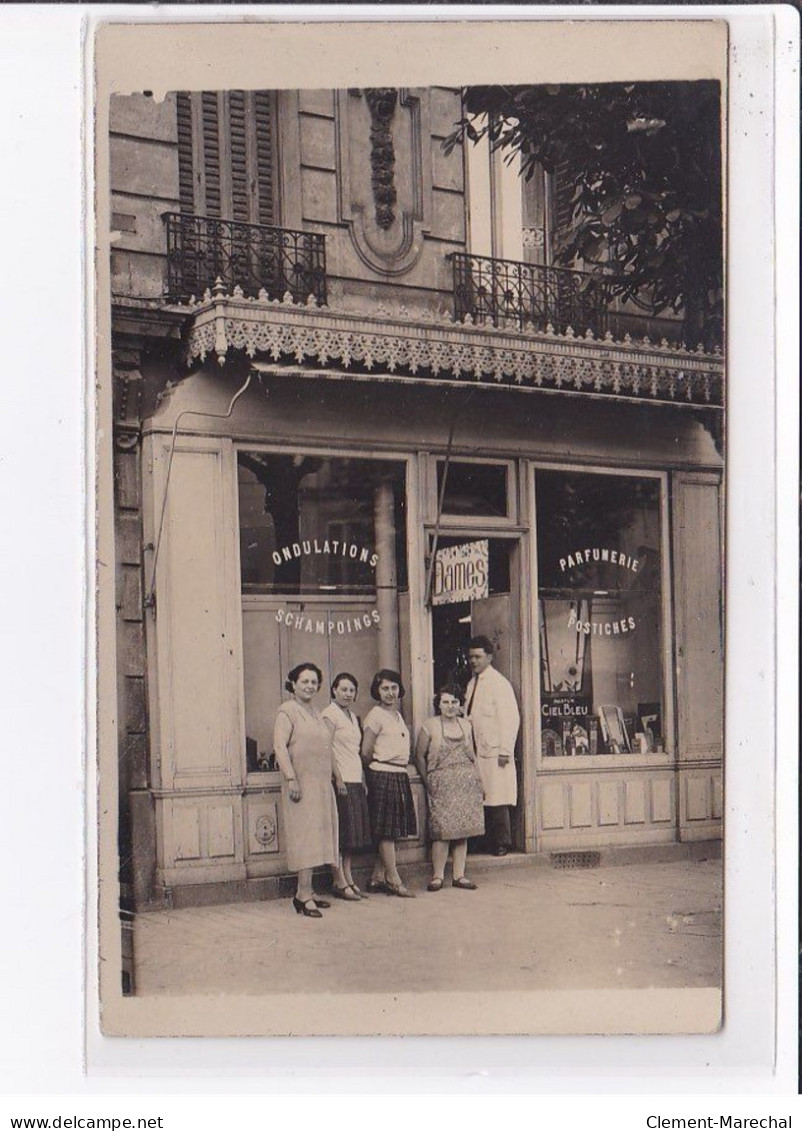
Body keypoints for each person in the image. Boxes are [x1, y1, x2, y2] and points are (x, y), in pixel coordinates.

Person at [272, 662, 339, 918]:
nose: (309, 686)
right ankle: (302, 895)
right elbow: (279, 747)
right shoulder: (287, 711)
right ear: (293, 684)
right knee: (306, 838)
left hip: (320, 785)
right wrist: (291, 779)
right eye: (304, 681)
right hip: (300, 785)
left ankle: (307, 891)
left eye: (314, 682)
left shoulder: (315, 711)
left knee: (318, 839)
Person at [415, 684, 485, 891]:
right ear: (438, 704)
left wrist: (480, 782)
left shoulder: (466, 725)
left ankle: (459, 875)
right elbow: (419, 755)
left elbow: (474, 756)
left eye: (454, 701)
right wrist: (427, 780)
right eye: (445, 702)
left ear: (460, 704)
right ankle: (437, 876)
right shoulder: (431, 726)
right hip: (442, 783)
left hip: (466, 783)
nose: (450, 706)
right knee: (443, 831)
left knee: (462, 831)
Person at [361, 669, 417, 898]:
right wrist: (373, 774)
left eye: (394, 687)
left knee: (390, 831)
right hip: (382, 774)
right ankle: (393, 879)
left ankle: (377, 877)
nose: (390, 692)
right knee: (385, 831)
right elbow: (365, 752)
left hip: (397, 774)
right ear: (377, 690)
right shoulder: (375, 715)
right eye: (385, 688)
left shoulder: (396, 715)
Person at [464, 636, 521, 856]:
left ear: (489, 657)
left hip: (496, 752)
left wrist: (506, 750)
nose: (473, 661)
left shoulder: (499, 684)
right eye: (470, 657)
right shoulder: (472, 683)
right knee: (482, 796)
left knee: (498, 798)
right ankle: (483, 841)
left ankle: (502, 843)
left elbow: (510, 718)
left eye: (478, 657)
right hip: (477, 751)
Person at [321, 672, 372, 901]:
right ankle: (338, 880)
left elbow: (355, 752)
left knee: (352, 833)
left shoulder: (352, 716)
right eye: (343, 689)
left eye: (351, 690)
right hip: (339, 779)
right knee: (341, 832)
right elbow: (327, 748)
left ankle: (348, 877)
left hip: (354, 778)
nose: (348, 694)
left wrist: (361, 778)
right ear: (333, 690)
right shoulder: (330, 714)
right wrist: (338, 778)